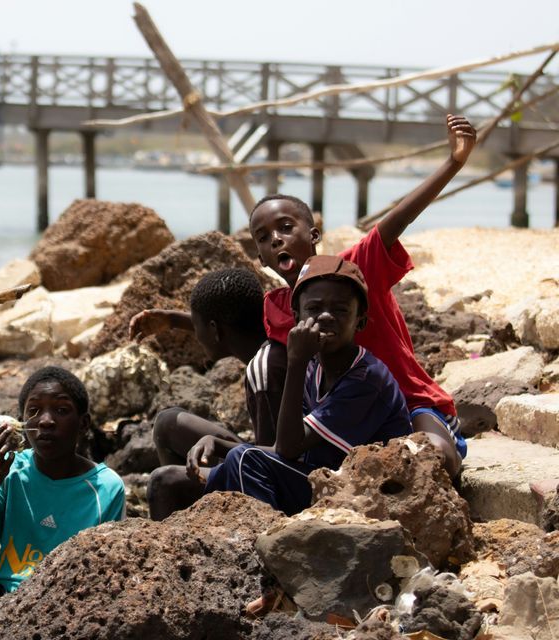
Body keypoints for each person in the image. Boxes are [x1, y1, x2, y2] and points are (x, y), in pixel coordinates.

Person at [249, 114, 476, 478]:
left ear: (314, 234)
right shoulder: (277, 306)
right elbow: (248, 345)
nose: (275, 239)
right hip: (343, 413)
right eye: (263, 237)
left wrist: (453, 163)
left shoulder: (356, 268)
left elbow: (397, 219)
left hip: (407, 401)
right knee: (263, 362)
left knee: (435, 457)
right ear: (260, 256)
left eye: (286, 227)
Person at [0, 366, 126, 639]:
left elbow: (106, 578)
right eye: (34, 411)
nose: (46, 421)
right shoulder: (9, 469)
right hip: (5, 596)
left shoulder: (106, 487)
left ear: (84, 424)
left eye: (62, 410)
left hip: (67, 605)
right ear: (21, 423)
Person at [204, 255, 412, 515]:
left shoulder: (367, 378)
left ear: (360, 320)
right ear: (296, 316)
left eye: (340, 310)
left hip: (364, 497)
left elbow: (288, 447)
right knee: (171, 480)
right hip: (323, 481)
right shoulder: (315, 369)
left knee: (245, 460)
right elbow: (288, 450)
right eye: (313, 309)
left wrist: (296, 361)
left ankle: (262, 545)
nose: (325, 316)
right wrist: (221, 444)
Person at [128, 269, 286, 520]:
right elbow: (226, 323)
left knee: (163, 481)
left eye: (196, 323)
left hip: (279, 484)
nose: (197, 336)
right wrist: (173, 320)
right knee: (168, 423)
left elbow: (270, 462)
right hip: (266, 458)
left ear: (214, 329)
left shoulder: (263, 372)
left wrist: (218, 445)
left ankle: (183, 534)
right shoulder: (273, 336)